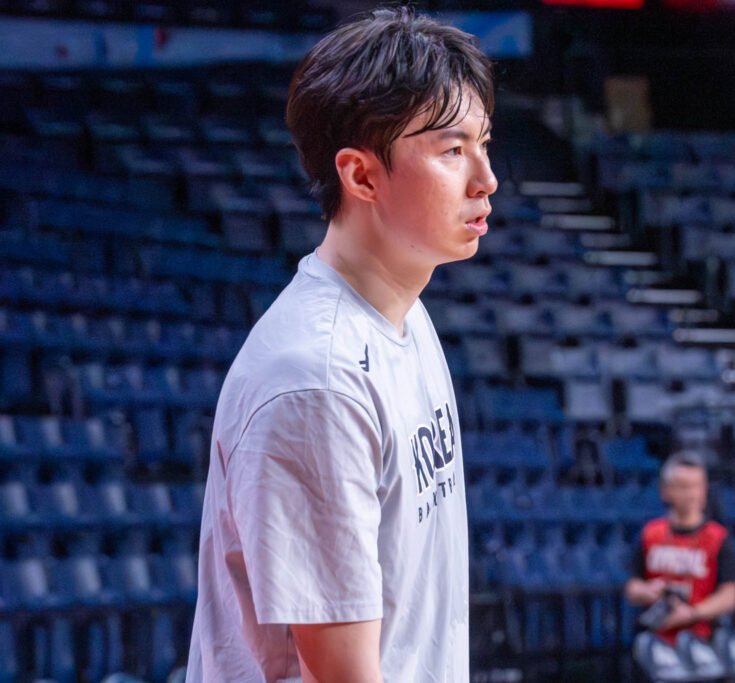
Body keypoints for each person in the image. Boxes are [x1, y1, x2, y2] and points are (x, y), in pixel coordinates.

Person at [186, 8, 497, 682]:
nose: (486, 179)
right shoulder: (317, 381)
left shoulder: (405, 314)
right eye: (452, 150)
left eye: (484, 143)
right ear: (361, 176)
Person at [624, 452, 735, 643]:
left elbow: (730, 595)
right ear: (666, 490)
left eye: (697, 486)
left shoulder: (717, 537)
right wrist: (647, 591)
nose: (692, 494)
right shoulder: (651, 533)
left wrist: (693, 613)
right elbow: (632, 586)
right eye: (684, 487)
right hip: (654, 637)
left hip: (700, 639)